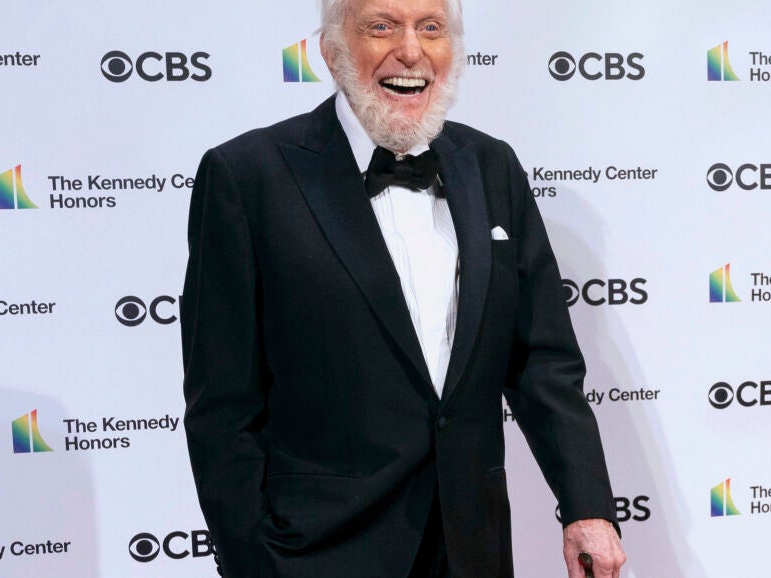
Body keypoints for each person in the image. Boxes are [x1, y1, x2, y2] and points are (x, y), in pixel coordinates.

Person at [180, 0, 626, 576]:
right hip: (316, 553)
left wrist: (587, 507)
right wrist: (252, 560)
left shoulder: (492, 166)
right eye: (382, 27)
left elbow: (543, 359)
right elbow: (221, 404)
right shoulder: (247, 176)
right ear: (332, 51)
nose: (411, 51)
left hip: (471, 547)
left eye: (431, 28)